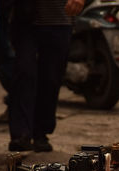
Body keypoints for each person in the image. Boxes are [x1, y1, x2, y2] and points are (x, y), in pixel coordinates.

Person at [8, 0, 85, 152]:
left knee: (51, 78)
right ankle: (21, 134)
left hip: (59, 18)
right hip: (26, 17)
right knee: (24, 72)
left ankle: (40, 134)